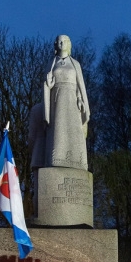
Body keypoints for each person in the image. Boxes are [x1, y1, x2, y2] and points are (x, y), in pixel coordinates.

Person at [42, 34, 90, 170]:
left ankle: (77, 159)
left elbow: (80, 85)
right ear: (55, 44)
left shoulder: (75, 64)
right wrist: (48, 85)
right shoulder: (51, 64)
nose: (62, 43)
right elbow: (46, 85)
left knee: (74, 129)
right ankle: (58, 157)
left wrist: (80, 99)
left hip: (72, 100)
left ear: (69, 44)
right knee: (59, 128)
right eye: (59, 41)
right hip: (57, 100)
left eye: (65, 41)